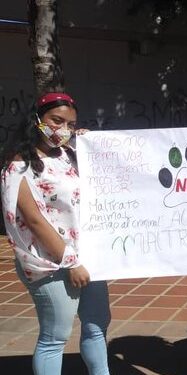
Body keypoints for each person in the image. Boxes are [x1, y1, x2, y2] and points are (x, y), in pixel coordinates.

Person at [1, 93, 110, 375]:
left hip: (87, 257)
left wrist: (88, 145)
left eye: (70, 125)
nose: (62, 130)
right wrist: (70, 262)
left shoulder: (69, 155)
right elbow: (35, 221)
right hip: (49, 262)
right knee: (55, 337)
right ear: (37, 119)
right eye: (56, 121)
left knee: (97, 326)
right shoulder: (18, 166)